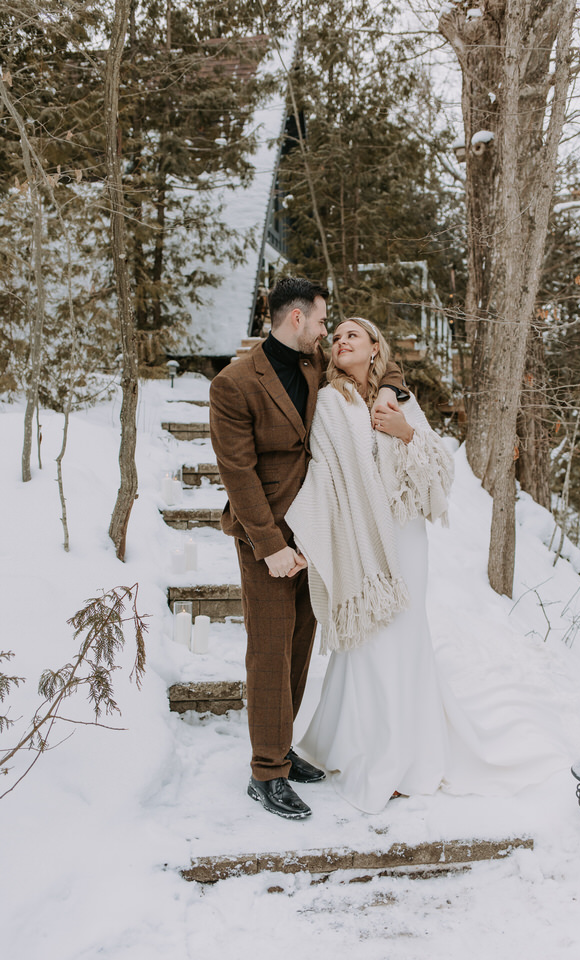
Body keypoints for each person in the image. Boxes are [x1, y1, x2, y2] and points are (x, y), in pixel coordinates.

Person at [286, 317, 566, 814]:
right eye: (339, 336)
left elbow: (442, 469)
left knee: (401, 639)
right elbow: (327, 470)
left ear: (376, 349)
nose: (342, 340)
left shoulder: (401, 402)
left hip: (405, 538)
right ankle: (359, 745)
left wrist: (405, 431)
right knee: (367, 644)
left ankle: (404, 753)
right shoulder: (329, 402)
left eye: (355, 334)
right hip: (358, 535)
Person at [209, 279, 408, 820]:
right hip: (268, 534)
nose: (327, 330)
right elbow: (238, 474)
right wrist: (269, 546)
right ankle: (265, 772)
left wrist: (389, 391)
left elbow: (380, 361)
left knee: (300, 642)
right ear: (296, 319)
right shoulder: (233, 384)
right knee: (270, 648)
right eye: (322, 321)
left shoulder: (314, 361)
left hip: (321, 527)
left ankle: (283, 746)